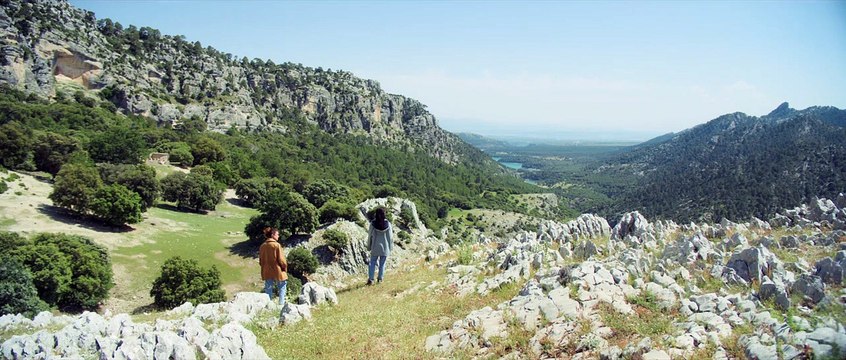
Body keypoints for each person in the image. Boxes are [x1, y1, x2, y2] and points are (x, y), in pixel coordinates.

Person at [259, 227, 288, 304]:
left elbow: (261, 261)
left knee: (268, 288)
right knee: (282, 286)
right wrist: (284, 268)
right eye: (277, 234)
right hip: (278, 270)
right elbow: (282, 260)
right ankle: (281, 304)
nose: (278, 236)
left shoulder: (262, 246)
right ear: (272, 235)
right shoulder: (276, 245)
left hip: (266, 270)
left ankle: (268, 305)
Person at [367, 207, 393, 285]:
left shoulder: (373, 223)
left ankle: (371, 280)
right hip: (385, 248)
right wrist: (390, 247)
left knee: (372, 263)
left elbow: (369, 236)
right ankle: (380, 279)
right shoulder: (388, 224)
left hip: (375, 247)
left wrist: (369, 246)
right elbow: (390, 237)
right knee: (382, 264)